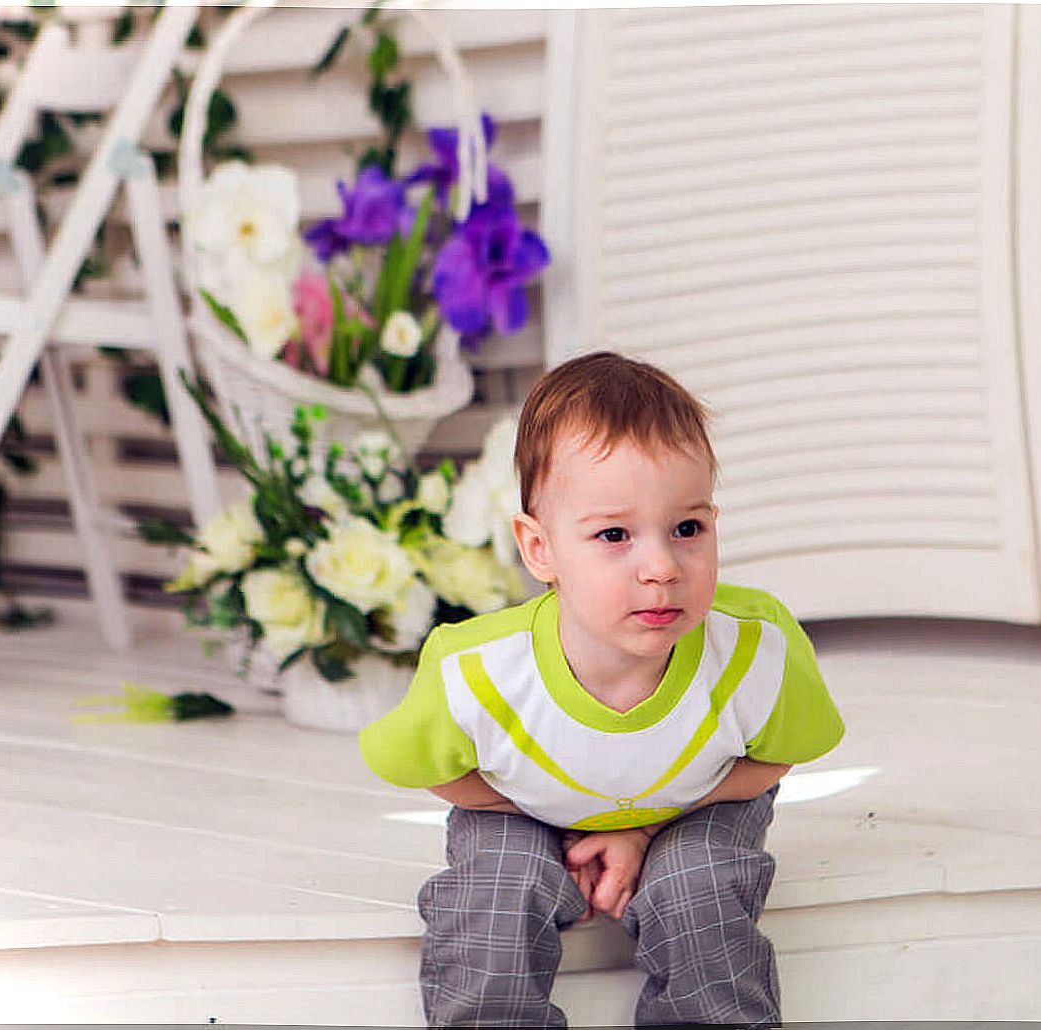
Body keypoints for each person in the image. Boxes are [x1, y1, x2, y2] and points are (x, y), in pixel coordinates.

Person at [358, 350, 844, 1028]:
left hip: (695, 801)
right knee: (495, 895)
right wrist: (555, 810)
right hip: (524, 807)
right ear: (539, 549)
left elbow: (776, 756)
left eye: (687, 528)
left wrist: (647, 823)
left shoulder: (752, 647)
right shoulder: (479, 670)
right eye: (613, 534)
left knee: (696, 887)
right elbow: (425, 770)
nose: (660, 568)